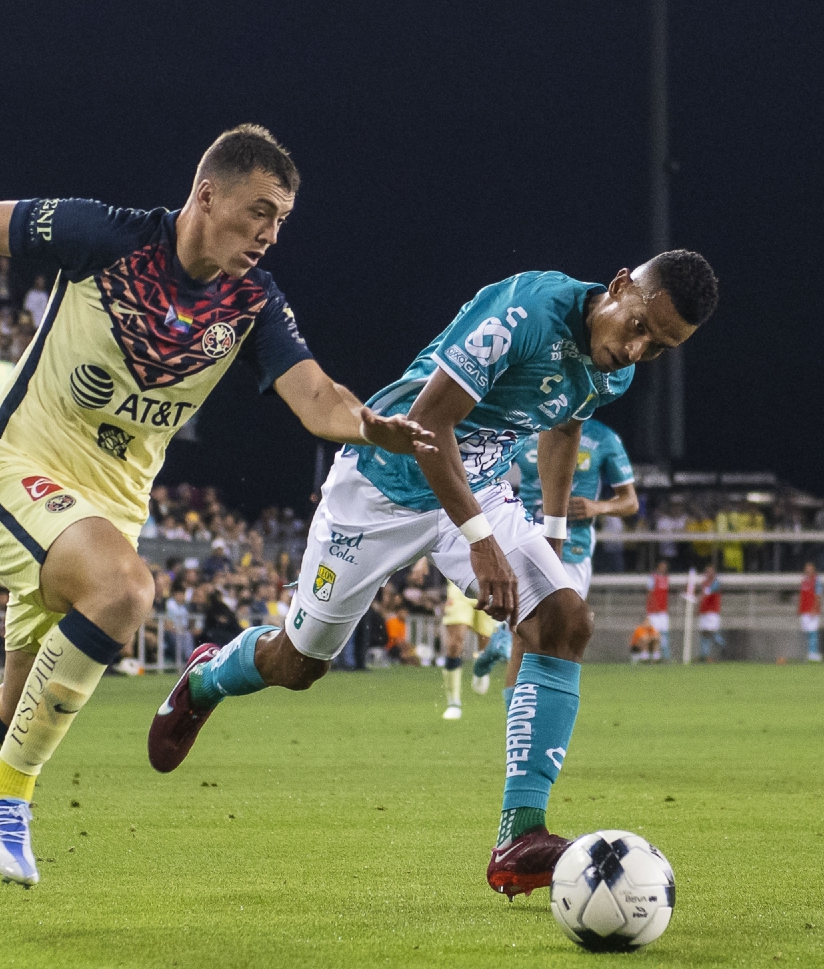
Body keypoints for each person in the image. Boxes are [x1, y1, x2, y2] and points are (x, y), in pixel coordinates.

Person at [0, 124, 434, 919]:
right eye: (260, 212)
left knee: (15, 702)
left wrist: (367, 423)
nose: (271, 234)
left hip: (104, 511)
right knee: (126, 591)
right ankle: (9, 798)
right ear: (207, 195)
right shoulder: (105, 235)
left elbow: (317, 398)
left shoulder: (251, 302)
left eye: (281, 221)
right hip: (16, 468)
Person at [148, 249, 717, 901]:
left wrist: (551, 537)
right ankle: (209, 677)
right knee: (298, 665)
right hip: (381, 486)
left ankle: (519, 835)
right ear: (618, 286)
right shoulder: (527, 311)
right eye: (640, 325)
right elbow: (426, 422)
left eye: (661, 346)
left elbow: (564, 425)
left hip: (475, 492)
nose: (640, 348)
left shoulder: (613, 370)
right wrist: (481, 541)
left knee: (564, 620)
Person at [514, 418, 637, 614]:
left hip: (573, 547)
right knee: (521, 627)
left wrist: (597, 507)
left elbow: (630, 501)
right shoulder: (527, 425)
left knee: (564, 626)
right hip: (525, 540)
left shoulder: (603, 437)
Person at [437, 580, 500, 720]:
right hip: (459, 582)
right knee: (455, 643)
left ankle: (481, 669)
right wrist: (422, 562)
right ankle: (453, 702)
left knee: (485, 641)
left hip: (488, 582)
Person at [697, 565, 724, 662]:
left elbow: (708, 592)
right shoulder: (704, 583)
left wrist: (700, 596)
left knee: (712, 633)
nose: (709, 573)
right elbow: (703, 596)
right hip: (704, 611)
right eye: (707, 571)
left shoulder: (716, 583)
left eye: (711, 571)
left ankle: (724, 647)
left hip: (712, 612)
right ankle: (704, 655)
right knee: (704, 633)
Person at [645, 561, 671, 661]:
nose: (663, 568)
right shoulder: (652, 578)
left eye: (665, 567)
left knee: (664, 633)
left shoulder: (666, 578)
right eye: (661, 567)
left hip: (663, 611)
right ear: (658, 567)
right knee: (652, 634)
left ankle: (664, 656)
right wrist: (653, 607)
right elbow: (649, 593)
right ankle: (648, 656)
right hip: (653, 612)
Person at [798, 562, 824, 662]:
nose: (808, 570)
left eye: (810, 569)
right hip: (804, 610)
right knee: (807, 632)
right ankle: (808, 653)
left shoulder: (817, 580)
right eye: (807, 569)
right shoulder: (803, 579)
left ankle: (813, 653)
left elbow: (818, 595)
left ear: (813, 570)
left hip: (813, 610)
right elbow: (802, 595)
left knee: (813, 632)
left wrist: (814, 608)